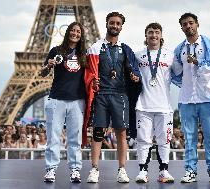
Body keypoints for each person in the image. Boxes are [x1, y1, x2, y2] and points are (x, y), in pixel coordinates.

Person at [172, 13, 210, 184]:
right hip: (186, 99)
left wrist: (198, 63)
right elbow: (175, 71)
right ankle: (190, 171)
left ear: (197, 24)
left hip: (207, 98)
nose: (188, 26)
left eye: (191, 23)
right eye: (184, 24)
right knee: (189, 138)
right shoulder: (180, 49)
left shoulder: (208, 44)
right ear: (181, 27)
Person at [84, 11, 141, 183]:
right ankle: (94, 169)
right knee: (98, 132)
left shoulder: (125, 48)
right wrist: (93, 81)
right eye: (112, 22)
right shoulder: (95, 47)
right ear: (107, 24)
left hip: (120, 95)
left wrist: (135, 76)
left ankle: (122, 169)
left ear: (121, 26)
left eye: (118, 23)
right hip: (101, 95)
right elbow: (88, 70)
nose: (115, 25)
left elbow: (135, 69)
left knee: (121, 133)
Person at [40, 22, 87, 183]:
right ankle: (51, 169)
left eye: (78, 31)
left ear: (81, 35)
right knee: (53, 137)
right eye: (73, 30)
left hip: (77, 101)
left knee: (75, 138)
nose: (75, 33)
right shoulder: (56, 50)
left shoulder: (84, 54)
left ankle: (75, 170)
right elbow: (43, 73)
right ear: (68, 32)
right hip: (57, 99)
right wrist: (48, 65)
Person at [134, 23, 174, 183]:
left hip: (164, 106)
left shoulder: (170, 56)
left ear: (161, 35)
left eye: (157, 32)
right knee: (143, 140)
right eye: (150, 32)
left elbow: (180, 74)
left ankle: (163, 170)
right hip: (143, 105)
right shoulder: (138, 55)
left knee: (164, 140)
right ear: (146, 35)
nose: (154, 35)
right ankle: (143, 171)